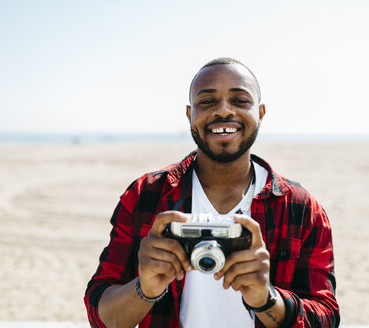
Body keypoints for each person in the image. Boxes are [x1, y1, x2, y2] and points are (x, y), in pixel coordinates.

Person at [84, 57, 340, 328]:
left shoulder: (300, 208)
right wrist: (145, 289)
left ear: (261, 113)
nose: (224, 111)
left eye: (240, 101)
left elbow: (326, 317)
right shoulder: (145, 196)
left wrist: (267, 299)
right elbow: (102, 317)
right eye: (207, 102)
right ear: (189, 114)